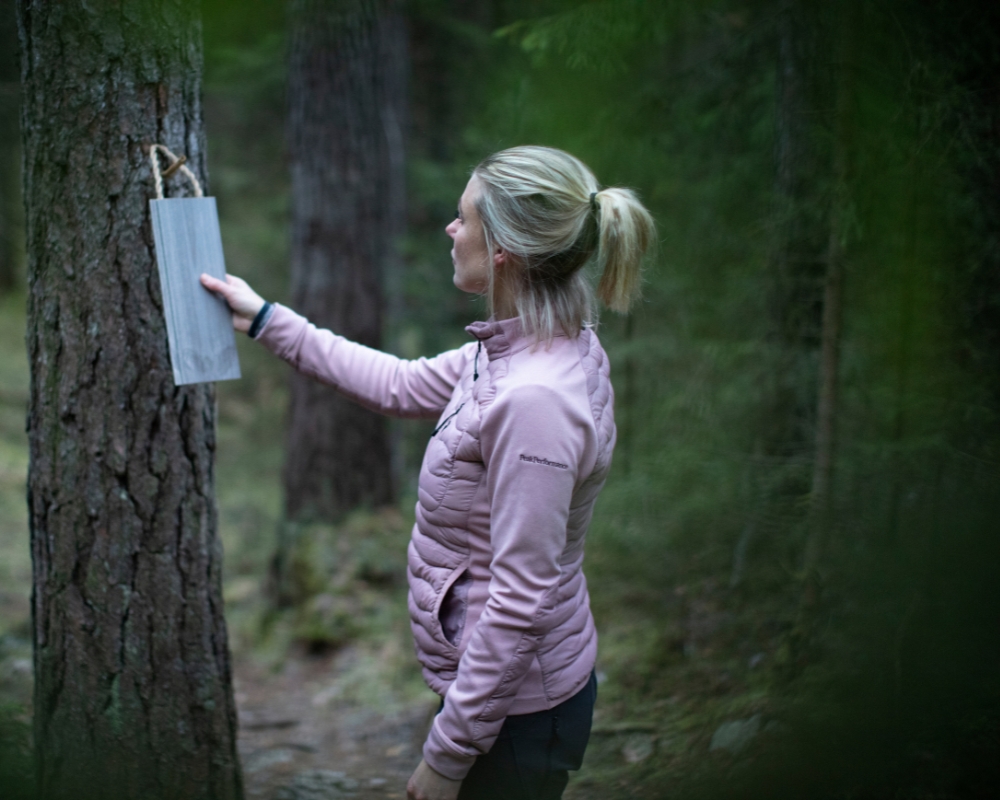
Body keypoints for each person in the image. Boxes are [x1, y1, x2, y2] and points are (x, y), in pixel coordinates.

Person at [201, 145, 655, 800]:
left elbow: (521, 597)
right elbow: (402, 383)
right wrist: (269, 321)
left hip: (519, 713)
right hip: (496, 695)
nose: (451, 229)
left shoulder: (535, 399)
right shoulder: (526, 343)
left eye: (463, 217)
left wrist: (446, 757)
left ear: (501, 248)